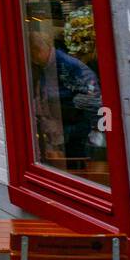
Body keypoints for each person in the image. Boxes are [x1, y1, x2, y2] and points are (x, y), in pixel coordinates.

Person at [28, 30, 102, 168]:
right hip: (61, 137)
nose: (32, 60)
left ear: (37, 51)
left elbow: (93, 102)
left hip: (77, 139)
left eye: (32, 55)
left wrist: (67, 130)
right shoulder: (46, 67)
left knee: (77, 171)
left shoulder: (68, 66)